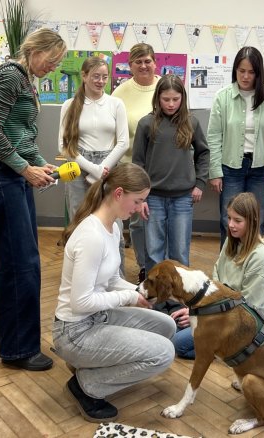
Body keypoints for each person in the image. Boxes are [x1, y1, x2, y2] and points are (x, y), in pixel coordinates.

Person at [53, 163, 176, 422]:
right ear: (118, 193)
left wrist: (136, 291)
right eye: (138, 200)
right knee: (164, 353)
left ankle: (89, 365)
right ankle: (87, 385)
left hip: (99, 317)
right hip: (74, 332)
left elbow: (111, 280)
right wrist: (130, 297)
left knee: (166, 327)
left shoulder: (114, 226)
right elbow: (80, 302)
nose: (140, 207)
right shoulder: (92, 236)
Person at [0, 28, 66, 371]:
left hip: (10, 173)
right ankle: (19, 350)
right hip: (2, 176)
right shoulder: (11, 76)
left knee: (12, 259)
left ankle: (1, 330)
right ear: (35, 50)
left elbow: (17, 131)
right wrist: (24, 169)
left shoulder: (23, 78)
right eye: (52, 60)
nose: (53, 68)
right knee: (23, 263)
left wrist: (35, 162)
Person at [167, 192, 264, 359]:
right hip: (221, 311)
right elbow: (215, 284)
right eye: (229, 218)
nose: (231, 225)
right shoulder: (232, 240)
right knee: (172, 325)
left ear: (253, 221)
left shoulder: (261, 257)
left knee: (178, 344)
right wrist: (194, 309)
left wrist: (200, 315)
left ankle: (229, 349)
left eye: (238, 221)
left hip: (241, 322)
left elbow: (247, 306)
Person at [207, 46, 264, 247]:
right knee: (229, 220)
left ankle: (252, 267)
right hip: (231, 167)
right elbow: (214, 136)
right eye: (241, 71)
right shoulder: (223, 97)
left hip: (262, 168)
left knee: (256, 220)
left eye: (251, 72)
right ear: (235, 70)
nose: (246, 76)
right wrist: (215, 171)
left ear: (258, 73)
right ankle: (229, 267)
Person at [133, 75, 209, 269]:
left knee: (180, 252)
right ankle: (157, 297)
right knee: (153, 251)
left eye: (176, 99)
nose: (171, 104)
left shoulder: (191, 122)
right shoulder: (146, 124)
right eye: (166, 99)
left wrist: (200, 183)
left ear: (182, 98)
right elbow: (138, 164)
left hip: (183, 198)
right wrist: (140, 199)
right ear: (158, 98)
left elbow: (203, 153)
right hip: (153, 198)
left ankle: (177, 298)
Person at [111, 43, 160, 282]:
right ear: (130, 65)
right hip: (131, 168)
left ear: (155, 63)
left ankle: (161, 266)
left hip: (162, 168)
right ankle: (144, 266)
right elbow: (112, 131)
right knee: (138, 222)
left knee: (158, 218)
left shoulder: (165, 87)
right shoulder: (120, 92)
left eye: (147, 60)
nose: (143, 65)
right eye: (138, 61)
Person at [58, 57, 129, 220]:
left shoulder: (116, 104)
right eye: (96, 76)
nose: (101, 81)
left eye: (105, 77)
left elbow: (123, 143)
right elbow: (63, 145)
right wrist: (93, 169)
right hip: (78, 165)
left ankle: (113, 247)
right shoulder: (69, 105)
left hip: (108, 165)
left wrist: (102, 168)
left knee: (111, 216)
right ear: (84, 76)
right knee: (78, 215)